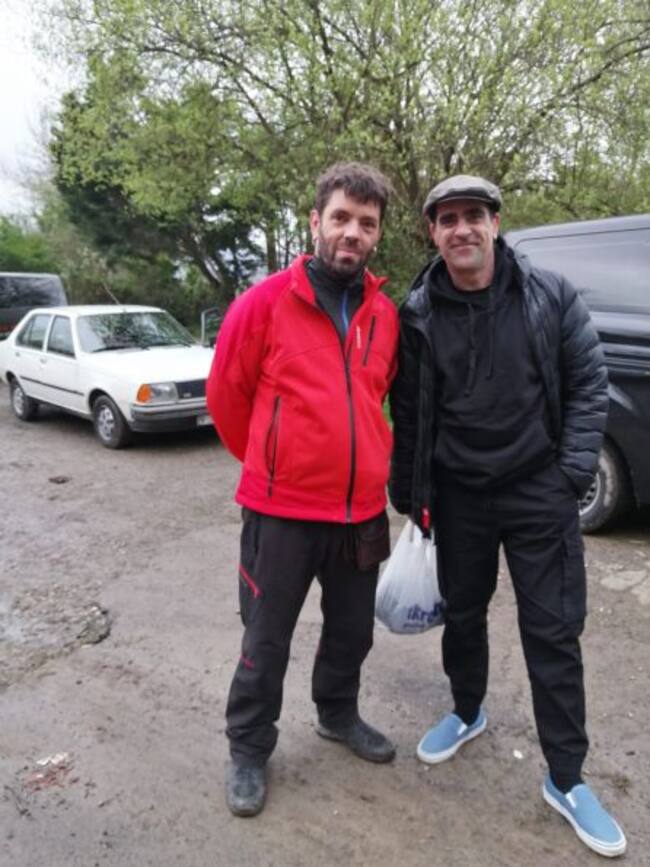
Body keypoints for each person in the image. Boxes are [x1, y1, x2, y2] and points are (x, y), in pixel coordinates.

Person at [389, 175, 626, 857]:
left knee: (553, 631)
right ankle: (467, 709)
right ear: (432, 232)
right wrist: (410, 490)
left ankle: (567, 777)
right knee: (463, 614)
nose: (461, 229)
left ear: (496, 223)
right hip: (458, 496)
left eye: (474, 216)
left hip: (537, 491)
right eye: (447, 219)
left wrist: (569, 477)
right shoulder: (419, 313)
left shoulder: (548, 296)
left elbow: (589, 385)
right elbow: (410, 410)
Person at [207, 162, 399, 818]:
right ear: (315, 221)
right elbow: (227, 399)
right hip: (281, 511)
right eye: (341, 217)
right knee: (266, 637)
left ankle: (337, 714)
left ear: (376, 235)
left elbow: (377, 401)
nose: (352, 233)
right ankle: (249, 746)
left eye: (366, 223)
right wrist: (273, 464)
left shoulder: (385, 315)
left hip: (362, 514)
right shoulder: (261, 304)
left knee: (351, 632)